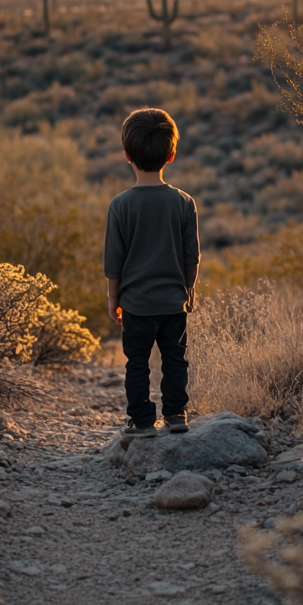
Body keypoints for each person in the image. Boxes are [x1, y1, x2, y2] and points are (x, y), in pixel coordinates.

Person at [103, 106, 200, 437]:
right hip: (173, 303)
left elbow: (113, 260)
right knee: (175, 360)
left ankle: (142, 421)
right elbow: (192, 256)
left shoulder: (120, 205)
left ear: (127, 154)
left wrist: (113, 297)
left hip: (136, 306)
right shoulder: (184, 203)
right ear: (171, 154)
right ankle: (176, 414)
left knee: (137, 364)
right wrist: (189, 289)